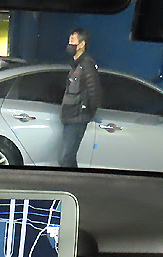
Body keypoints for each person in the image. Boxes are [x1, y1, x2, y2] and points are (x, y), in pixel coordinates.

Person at [59, 28, 101, 168]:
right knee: (68, 159)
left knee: (65, 159)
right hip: (69, 116)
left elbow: (94, 92)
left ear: (82, 44)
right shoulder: (75, 65)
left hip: (77, 118)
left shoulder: (86, 65)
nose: (69, 44)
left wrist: (87, 112)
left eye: (72, 40)